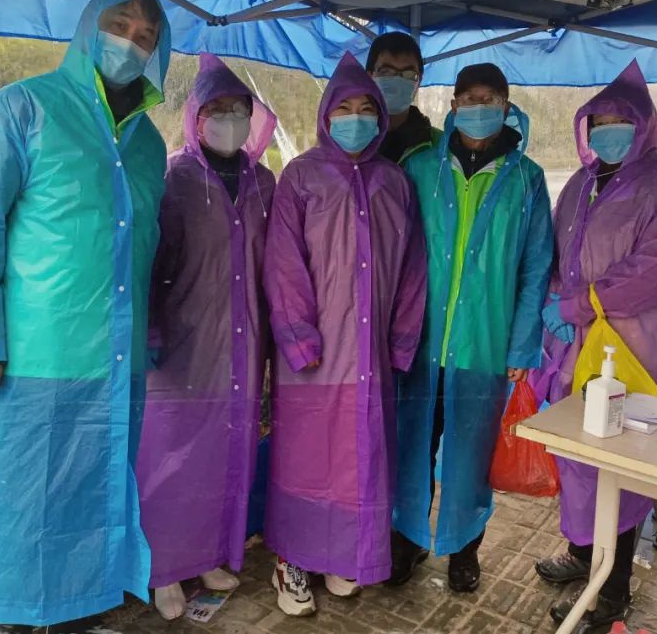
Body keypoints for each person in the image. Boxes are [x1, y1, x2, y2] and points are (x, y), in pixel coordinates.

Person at [0, 0, 171, 631]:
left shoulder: (150, 145)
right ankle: (9, 623)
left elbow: (147, 249)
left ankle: (74, 616)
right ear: (88, 26)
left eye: (146, 35)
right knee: (16, 508)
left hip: (114, 363)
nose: (130, 42)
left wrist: (149, 334)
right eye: (119, 25)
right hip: (30, 360)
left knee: (88, 503)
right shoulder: (24, 107)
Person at [533, 60, 657, 628]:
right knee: (578, 453)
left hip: (628, 349)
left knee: (617, 463)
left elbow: (651, 272)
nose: (608, 132)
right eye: (599, 122)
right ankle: (584, 555)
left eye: (620, 121)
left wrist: (580, 304)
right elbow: (557, 253)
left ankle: (612, 591)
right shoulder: (580, 185)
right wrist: (552, 303)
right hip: (573, 344)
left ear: (644, 126)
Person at [263, 52, 427, 617]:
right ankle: (291, 560)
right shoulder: (301, 176)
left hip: (370, 356)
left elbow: (412, 271)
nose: (355, 118)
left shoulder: (394, 182)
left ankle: (342, 554)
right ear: (326, 115)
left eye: (365, 109)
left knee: (358, 461)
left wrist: (401, 342)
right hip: (314, 354)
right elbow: (283, 264)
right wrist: (298, 337)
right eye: (344, 109)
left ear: (380, 117)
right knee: (305, 460)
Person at [391, 63, 554, 593]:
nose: (479, 108)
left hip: (484, 342)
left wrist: (522, 345)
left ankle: (464, 549)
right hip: (421, 342)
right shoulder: (422, 167)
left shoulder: (526, 180)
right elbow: (397, 254)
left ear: (507, 107)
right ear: (453, 104)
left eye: (490, 99)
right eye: (470, 98)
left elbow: (536, 266)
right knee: (413, 446)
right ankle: (407, 540)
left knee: (471, 453)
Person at [135, 53, 277, 620]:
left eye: (239, 109)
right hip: (182, 344)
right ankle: (165, 568)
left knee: (227, 454)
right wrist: (150, 327)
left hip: (244, 344)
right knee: (170, 457)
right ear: (195, 117)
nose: (229, 120)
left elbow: (275, 266)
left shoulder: (263, 182)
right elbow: (149, 258)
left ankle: (211, 554)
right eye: (217, 109)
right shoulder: (175, 178)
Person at [366, 31, 441, 165]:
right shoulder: (351, 138)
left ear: (419, 80)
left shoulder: (440, 145)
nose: (397, 79)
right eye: (386, 72)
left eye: (409, 73)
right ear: (369, 76)